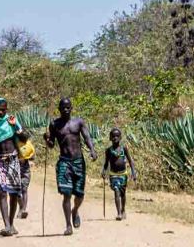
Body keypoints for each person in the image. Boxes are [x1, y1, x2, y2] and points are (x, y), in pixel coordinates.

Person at [44, 97, 96, 236]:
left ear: (71, 108)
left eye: (68, 107)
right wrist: (47, 139)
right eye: (63, 108)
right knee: (66, 194)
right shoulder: (54, 124)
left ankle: (75, 210)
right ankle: (68, 225)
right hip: (64, 162)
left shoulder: (78, 122)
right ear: (59, 109)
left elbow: (87, 137)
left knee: (79, 194)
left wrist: (92, 150)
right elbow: (51, 144)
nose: (66, 110)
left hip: (78, 161)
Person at [0, 98, 29, 236]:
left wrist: (15, 126)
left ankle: (11, 224)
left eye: (4, 109)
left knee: (13, 193)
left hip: (13, 159)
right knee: (2, 193)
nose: (2, 112)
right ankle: (7, 226)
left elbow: (24, 138)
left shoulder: (11, 120)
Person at [102, 128, 137, 221]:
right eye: (113, 136)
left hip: (123, 174)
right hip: (113, 174)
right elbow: (106, 163)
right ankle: (119, 213)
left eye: (117, 136)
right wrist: (104, 171)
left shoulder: (124, 148)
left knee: (123, 193)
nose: (115, 138)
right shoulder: (108, 150)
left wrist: (133, 172)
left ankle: (123, 210)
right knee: (116, 191)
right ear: (110, 138)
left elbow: (130, 161)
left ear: (120, 137)